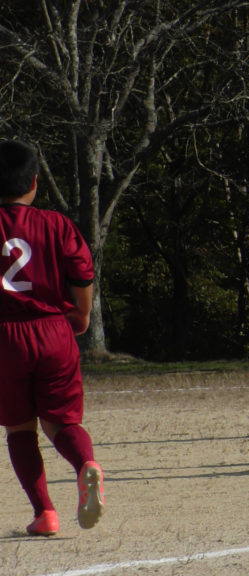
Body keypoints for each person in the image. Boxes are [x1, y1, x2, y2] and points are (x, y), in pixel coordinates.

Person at [0, 140, 105, 536]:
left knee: (19, 427)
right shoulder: (56, 224)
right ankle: (85, 465)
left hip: (5, 336)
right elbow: (82, 270)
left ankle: (45, 513)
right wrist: (83, 313)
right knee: (62, 421)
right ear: (34, 182)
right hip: (53, 330)